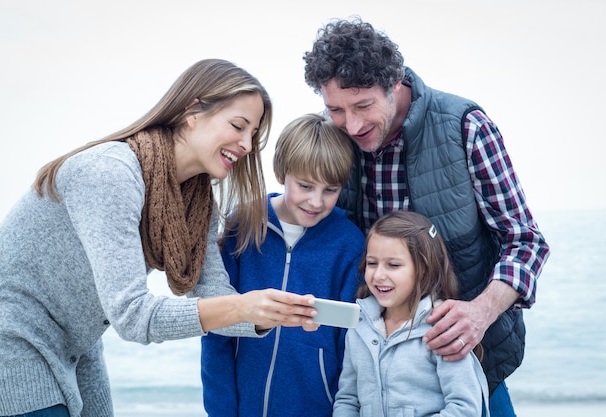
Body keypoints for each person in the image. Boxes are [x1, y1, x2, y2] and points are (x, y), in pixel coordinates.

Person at [0, 59, 319, 417]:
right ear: (193, 110)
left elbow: (213, 294)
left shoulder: (196, 199)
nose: (247, 145)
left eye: (253, 134)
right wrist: (242, 306)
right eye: (239, 126)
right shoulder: (110, 174)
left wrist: (270, 313)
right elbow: (133, 316)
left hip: (78, 344)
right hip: (12, 335)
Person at [303, 17, 551, 417]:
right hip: (374, 366)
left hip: (467, 358)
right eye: (335, 109)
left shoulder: (464, 127)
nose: (351, 125)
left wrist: (481, 312)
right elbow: (308, 213)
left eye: (363, 106)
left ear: (394, 83)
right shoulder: (337, 139)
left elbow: (525, 242)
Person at [200, 113, 366, 417]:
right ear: (281, 172)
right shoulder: (245, 224)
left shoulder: (349, 244)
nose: (316, 202)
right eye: (305, 186)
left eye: (330, 190)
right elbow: (217, 329)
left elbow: (351, 347)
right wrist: (220, 410)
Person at [334, 210, 490, 416]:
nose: (379, 274)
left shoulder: (445, 330)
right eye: (372, 263)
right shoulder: (359, 328)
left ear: (423, 269)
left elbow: (465, 409)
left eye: (394, 265)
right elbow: (348, 400)